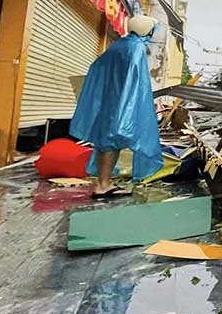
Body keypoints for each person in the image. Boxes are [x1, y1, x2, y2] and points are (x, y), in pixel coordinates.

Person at [70, 14, 164, 198]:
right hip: (121, 104)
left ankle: (104, 181)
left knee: (104, 142)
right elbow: (136, 83)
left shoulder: (119, 45)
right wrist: (132, 110)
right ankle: (103, 185)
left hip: (107, 103)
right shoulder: (136, 48)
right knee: (112, 143)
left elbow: (97, 69)